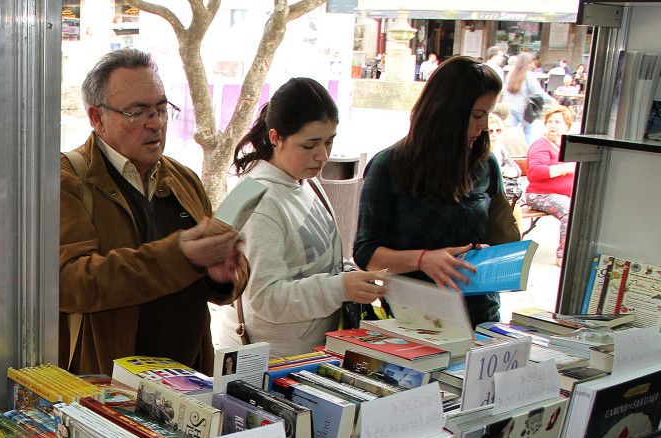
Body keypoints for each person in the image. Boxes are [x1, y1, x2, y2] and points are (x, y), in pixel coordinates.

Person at [59, 48, 244, 375]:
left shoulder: (183, 179)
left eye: (161, 109)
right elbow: (71, 282)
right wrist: (181, 255)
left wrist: (221, 275)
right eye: (138, 112)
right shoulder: (68, 181)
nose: (156, 123)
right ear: (96, 117)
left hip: (187, 381)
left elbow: (222, 283)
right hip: (110, 390)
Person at [354, 56, 514, 327]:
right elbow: (365, 253)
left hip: (482, 314)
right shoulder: (389, 165)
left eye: (487, 114)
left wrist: (492, 253)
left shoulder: (486, 163)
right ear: (447, 112)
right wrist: (423, 259)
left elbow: (501, 236)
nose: (483, 126)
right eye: (477, 115)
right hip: (416, 318)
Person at [231, 78, 385, 357]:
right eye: (310, 144)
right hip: (273, 361)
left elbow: (317, 264)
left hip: (311, 354)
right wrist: (339, 288)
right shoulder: (256, 198)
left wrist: (351, 279)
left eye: (329, 141)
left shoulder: (306, 181)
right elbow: (264, 298)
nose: (323, 155)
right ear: (276, 137)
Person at [524, 105, 576, 263]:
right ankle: (563, 255)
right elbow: (535, 172)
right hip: (540, 195)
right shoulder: (541, 144)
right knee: (569, 210)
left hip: (563, 194)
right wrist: (564, 169)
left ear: (567, 126)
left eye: (558, 122)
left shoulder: (563, 145)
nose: (553, 125)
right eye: (550, 121)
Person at [501, 53, 548, 137]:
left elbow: (504, 90)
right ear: (529, 63)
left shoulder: (510, 74)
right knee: (527, 133)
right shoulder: (529, 75)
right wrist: (552, 101)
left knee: (508, 134)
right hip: (524, 109)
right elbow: (538, 92)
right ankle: (525, 149)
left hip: (509, 108)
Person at [488, 112, 523, 206]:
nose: (494, 134)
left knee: (514, 208)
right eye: (490, 131)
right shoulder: (481, 152)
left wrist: (502, 171)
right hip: (490, 197)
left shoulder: (501, 149)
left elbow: (517, 171)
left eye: (498, 130)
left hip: (504, 194)